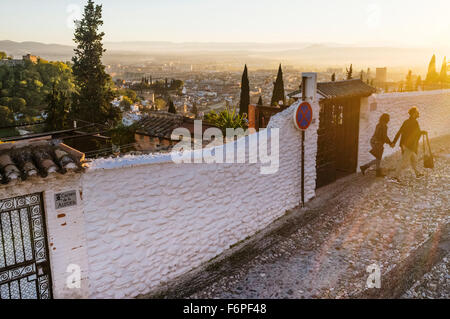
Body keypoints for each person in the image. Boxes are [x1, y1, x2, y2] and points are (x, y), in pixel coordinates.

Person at [391, 106, 427, 182]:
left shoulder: (406, 121)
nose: (418, 114)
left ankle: (417, 174)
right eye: (417, 112)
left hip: (405, 144)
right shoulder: (415, 122)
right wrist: (422, 132)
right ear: (414, 113)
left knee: (414, 159)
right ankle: (395, 177)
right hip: (409, 145)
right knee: (403, 161)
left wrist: (394, 142)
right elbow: (417, 133)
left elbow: (399, 132)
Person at [360, 113, 393, 177]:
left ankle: (374, 171)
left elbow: (382, 136)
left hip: (373, 141)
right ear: (386, 119)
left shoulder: (379, 124)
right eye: (388, 118)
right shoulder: (384, 126)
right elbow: (384, 136)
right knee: (378, 158)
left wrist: (389, 142)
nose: (389, 120)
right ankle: (365, 167)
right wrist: (390, 143)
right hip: (377, 143)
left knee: (378, 158)